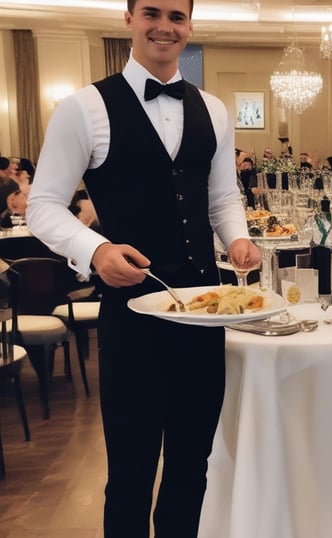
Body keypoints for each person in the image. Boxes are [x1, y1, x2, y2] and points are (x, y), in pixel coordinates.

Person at [25, 0, 260, 535]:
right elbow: (43, 205)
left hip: (204, 313)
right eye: (152, 12)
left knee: (191, 468)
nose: (164, 26)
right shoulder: (84, 107)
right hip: (132, 319)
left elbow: (223, 197)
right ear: (128, 18)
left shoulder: (215, 110)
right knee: (130, 474)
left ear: (190, 25)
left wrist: (240, 239)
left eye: (177, 16)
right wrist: (97, 251)